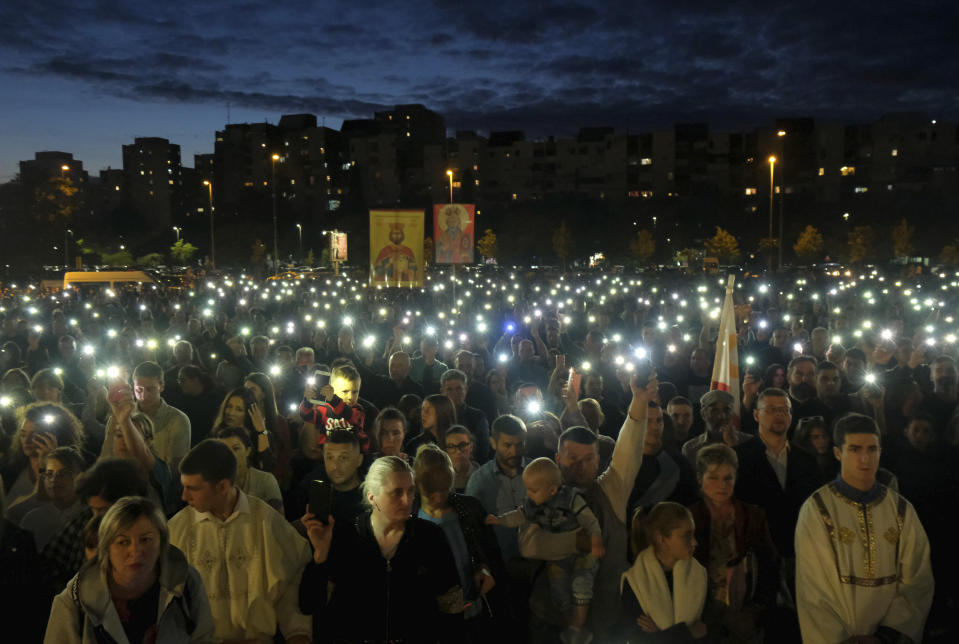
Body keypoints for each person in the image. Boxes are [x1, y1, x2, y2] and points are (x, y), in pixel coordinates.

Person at [519, 374, 656, 641]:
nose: (581, 466)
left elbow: (629, 450)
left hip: (605, 620)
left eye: (588, 458)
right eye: (573, 458)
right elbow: (530, 545)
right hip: (551, 620)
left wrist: (639, 401)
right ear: (558, 459)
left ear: (598, 460)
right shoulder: (542, 493)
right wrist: (577, 541)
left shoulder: (611, 491)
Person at [795, 413, 934, 642]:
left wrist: (886, 635)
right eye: (855, 449)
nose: (865, 459)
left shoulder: (901, 510)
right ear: (838, 452)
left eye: (872, 449)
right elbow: (812, 588)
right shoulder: (817, 510)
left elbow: (917, 579)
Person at [299, 455, 464, 642]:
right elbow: (309, 605)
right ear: (372, 497)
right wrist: (320, 556)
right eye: (396, 492)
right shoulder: (346, 537)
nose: (406, 500)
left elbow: (451, 604)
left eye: (410, 491)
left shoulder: (429, 537)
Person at [169, 440, 313, 643]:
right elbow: (170, 607)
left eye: (193, 488)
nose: (184, 496)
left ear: (222, 486)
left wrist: (297, 634)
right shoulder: (178, 530)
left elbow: (289, 587)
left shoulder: (264, 520)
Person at [44, 496, 215, 644]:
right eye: (123, 542)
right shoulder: (75, 599)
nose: (135, 551)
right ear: (107, 548)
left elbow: (204, 640)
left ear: (162, 543)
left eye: (146, 540)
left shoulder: (185, 584)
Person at [487, 457, 604, 644]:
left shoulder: (570, 498)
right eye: (527, 489)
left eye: (533, 490)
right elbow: (520, 514)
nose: (528, 494)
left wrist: (596, 541)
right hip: (559, 557)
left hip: (583, 554)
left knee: (581, 584)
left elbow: (590, 522)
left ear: (552, 490)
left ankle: (578, 627)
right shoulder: (533, 503)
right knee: (558, 587)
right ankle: (571, 625)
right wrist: (500, 520)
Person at [688, 444, 781, 643]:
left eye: (727, 478)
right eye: (713, 478)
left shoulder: (752, 516)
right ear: (700, 478)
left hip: (746, 614)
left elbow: (770, 567)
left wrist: (753, 612)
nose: (722, 485)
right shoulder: (689, 518)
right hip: (700, 615)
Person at [413, 444, 507, 639]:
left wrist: (486, 570)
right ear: (417, 484)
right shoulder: (412, 520)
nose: (438, 497)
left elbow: (492, 552)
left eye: (444, 489)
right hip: (437, 622)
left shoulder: (470, 509)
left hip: (478, 613)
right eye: (431, 491)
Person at [734, 388, 822, 568]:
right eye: (772, 410)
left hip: (801, 550)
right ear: (756, 415)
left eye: (784, 410)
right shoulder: (739, 457)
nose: (779, 415)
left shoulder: (806, 459)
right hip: (757, 552)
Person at [618, 502, 709, 642]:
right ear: (661, 539)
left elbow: (708, 630)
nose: (694, 542)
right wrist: (687, 632)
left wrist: (660, 634)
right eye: (686, 536)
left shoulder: (699, 575)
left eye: (693, 534)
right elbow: (639, 640)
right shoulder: (636, 583)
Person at [99, 362, 191, 479]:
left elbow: (176, 468)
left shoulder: (178, 419)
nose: (144, 395)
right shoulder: (117, 417)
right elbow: (106, 455)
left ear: (161, 386)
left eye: (150, 389)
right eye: (139, 390)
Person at [466, 414, 528, 563]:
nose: (514, 451)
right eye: (507, 445)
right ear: (493, 443)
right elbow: (472, 527)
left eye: (519, 444)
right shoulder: (479, 480)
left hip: (538, 563)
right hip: (499, 563)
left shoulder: (538, 473)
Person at [17, 446, 86, 551]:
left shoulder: (86, 519)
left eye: (63, 473)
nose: (54, 479)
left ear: (79, 477)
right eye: (49, 474)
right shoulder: (32, 519)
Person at [213, 425, 284, 513]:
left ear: (248, 451)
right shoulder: (214, 484)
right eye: (225, 450)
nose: (231, 455)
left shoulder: (265, 480)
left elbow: (278, 519)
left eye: (236, 448)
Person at [212, 386, 275, 472]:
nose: (231, 413)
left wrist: (261, 431)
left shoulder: (259, 436)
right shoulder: (217, 433)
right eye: (229, 406)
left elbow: (265, 467)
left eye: (239, 409)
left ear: (248, 413)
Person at [681, 390, 751, 467]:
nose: (722, 416)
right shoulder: (691, 449)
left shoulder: (748, 442)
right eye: (714, 411)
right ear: (703, 414)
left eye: (727, 410)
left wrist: (734, 446)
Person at [441, 369, 491, 461]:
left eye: (458, 389)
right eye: (449, 390)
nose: (455, 394)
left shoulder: (477, 417)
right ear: (442, 391)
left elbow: (483, 451)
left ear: (466, 390)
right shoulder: (438, 417)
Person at [444, 425, 479, 492]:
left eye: (462, 445)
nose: (458, 451)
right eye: (451, 446)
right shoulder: (442, 478)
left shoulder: (481, 475)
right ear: (446, 450)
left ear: (471, 447)